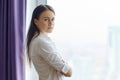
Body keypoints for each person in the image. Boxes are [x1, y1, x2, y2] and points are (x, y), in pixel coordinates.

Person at [26, 4, 72, 80]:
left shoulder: (40, 40)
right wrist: (64, 64)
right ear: (36, 21)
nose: (51, 23)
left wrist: (62, 66)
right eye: (46, 19)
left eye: (53, 19)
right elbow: (69, 72)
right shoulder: (41, 42)